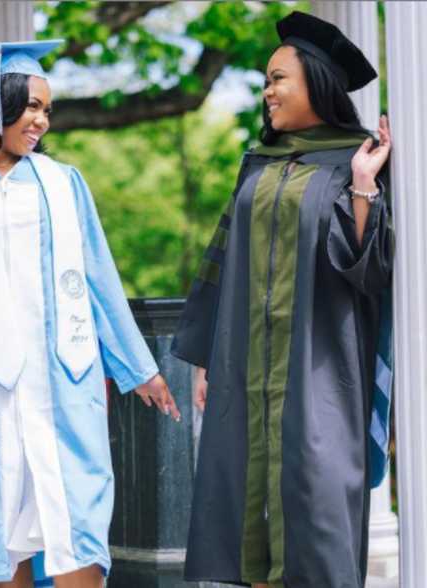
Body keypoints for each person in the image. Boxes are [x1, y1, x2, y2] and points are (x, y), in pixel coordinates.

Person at [0, 41, 180, 588]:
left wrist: (139, 368)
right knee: (3, 537)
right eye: (31, 107)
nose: (42, 121)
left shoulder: (61, 182)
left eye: (47, 109)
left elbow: (98, 279)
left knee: (74, 529)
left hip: (63, 387)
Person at [173, 12, 393, 588]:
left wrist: (365, 186)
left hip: (319, 367)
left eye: (278, 79)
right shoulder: (260, 161)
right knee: (242, 508)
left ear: (316, 83)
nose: (267, 91)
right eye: (266, 80)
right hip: (243, 364)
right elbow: (224, 259)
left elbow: (367, 269)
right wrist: (204, 358)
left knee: (315, 501)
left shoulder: (355, 160)